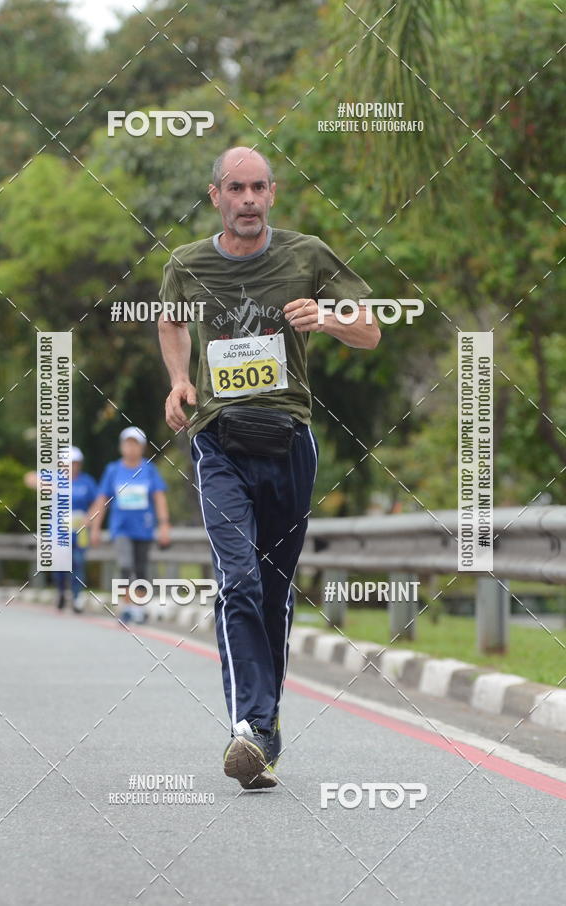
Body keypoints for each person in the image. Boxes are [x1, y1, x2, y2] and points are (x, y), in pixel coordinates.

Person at [158, 146, 380, 790]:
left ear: (273, 194)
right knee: (239, 582)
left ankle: (264, 730)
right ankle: (249, 729)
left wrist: (328, 317)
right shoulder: (187, 263)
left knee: (276, 594)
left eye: (259, 187)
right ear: (215, 196)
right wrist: (179, 380)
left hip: (289, 440)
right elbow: (171, 321)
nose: (249, 199)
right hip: (218, 440)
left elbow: (370, 331)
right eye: (236, 188)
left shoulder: (308, 255)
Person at [89, 427, 171, 624]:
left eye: (135, 444)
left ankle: (138, 608)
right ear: (121, 446)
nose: (131, 448)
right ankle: (127, 606)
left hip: (144, 528)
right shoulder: (113, 470)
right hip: (121, 528)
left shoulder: (149, 470)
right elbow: (102, 500)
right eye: (128, 444)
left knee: (141, 569)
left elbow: (159, 498)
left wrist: (164, 525)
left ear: (142, 447)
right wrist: (95, 528)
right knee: (125, 565)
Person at [24, 445, 97, 612]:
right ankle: (61, 593)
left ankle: (77, 598)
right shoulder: (54, 478)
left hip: (79, 532)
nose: (72, 466)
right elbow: (29, 478)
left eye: (75, 463)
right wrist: (46, 486)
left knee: (78, 563)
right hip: (58, 533)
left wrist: (89, 518)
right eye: (69, 463)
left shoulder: (86, 482)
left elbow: (97, 502)